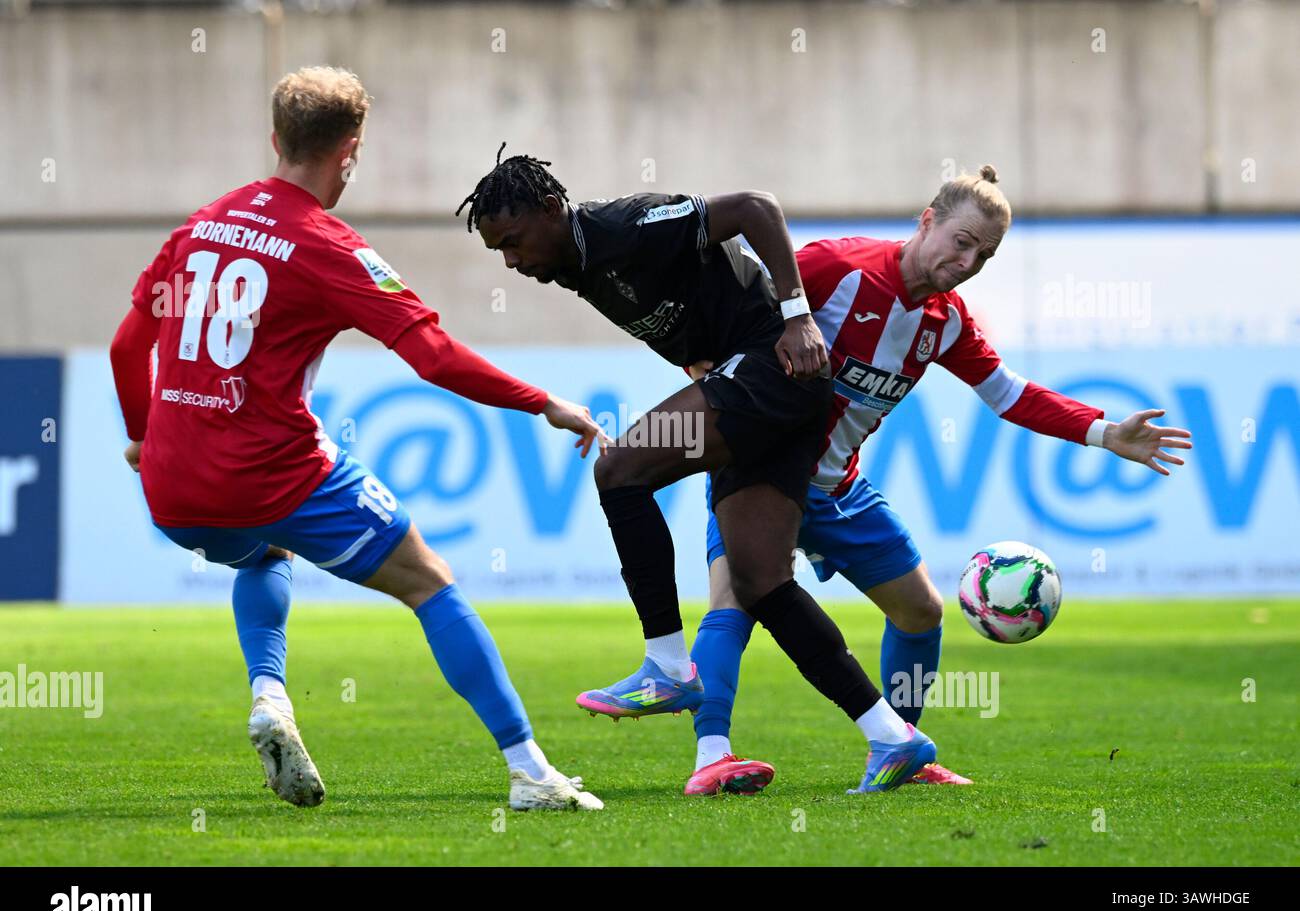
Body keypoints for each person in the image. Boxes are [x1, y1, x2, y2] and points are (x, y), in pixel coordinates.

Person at [109, 67, 608, 812]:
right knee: (429, 582)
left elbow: (126, 346)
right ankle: (531, 771)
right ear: (350, 152)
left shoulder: (200, 225)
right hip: (274, 473)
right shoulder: (328, 246)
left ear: (276, 139)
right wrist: (544, 403)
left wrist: (145, 443)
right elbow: (433, 356)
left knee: (262, 552)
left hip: (175, 490)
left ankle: (270, 696)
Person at [681, 166, 1194, 795]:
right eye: (962, 240)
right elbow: (733, 317)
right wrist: (701, 361)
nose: (970, 259)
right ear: (928, 220)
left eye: (985, 253)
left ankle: (901, 752)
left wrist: (1103, 431)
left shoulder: (945, 320)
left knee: (921, 611)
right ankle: (713, 756)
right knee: (733, 602)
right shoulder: (832, 268)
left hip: (838, 488)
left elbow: (1008, 394)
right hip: (758, 477)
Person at [458, 147, 938, 794]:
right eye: (499, 254)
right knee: (762, 582)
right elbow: (697, 296)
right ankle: (891, 735)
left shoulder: (622, 226)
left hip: (774, 371)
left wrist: (797, 318)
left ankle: (666, 664)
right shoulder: (572, 264)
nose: (511, 263)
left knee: (620, 468)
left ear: (551, 209)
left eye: (514, 242)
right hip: (772, 395)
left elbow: (754, 209)